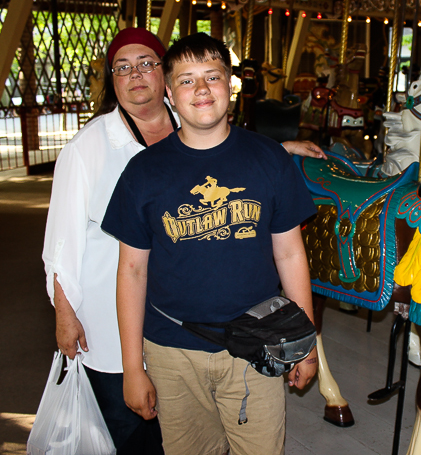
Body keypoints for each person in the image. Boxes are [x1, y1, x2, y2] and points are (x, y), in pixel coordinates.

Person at [43, 27, 323, 454]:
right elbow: (131, 269)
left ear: (231, 85)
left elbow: (289, 252)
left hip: (254, 342)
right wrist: (132, 367)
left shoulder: (268, 159)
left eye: (212, 76)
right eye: (187, 80)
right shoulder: (141, 172)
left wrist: (304, 343)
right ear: (171, 94)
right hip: (171, 349)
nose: (201, 89)